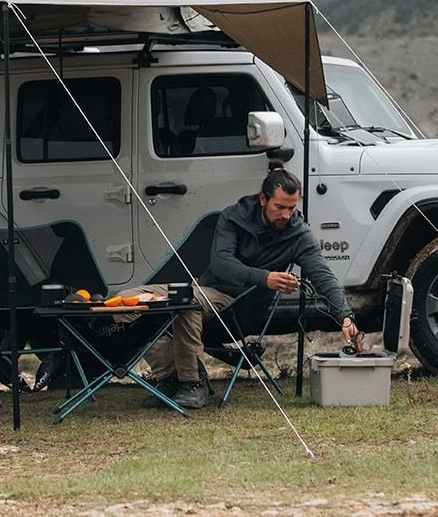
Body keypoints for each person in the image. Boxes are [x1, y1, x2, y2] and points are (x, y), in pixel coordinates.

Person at [141, 160, 363, 409]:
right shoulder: (233, 217)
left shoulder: (299, 234)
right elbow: (221, 264)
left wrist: (345, 316)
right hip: (208, 290)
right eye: (280, 207)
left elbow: (323, 276)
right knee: (135, 301)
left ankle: (192, 385)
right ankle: (170, 378)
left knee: (185, 302)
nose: (286, 215)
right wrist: (265, 278)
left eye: (292, 208)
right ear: (262, 200)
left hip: (240, 307)